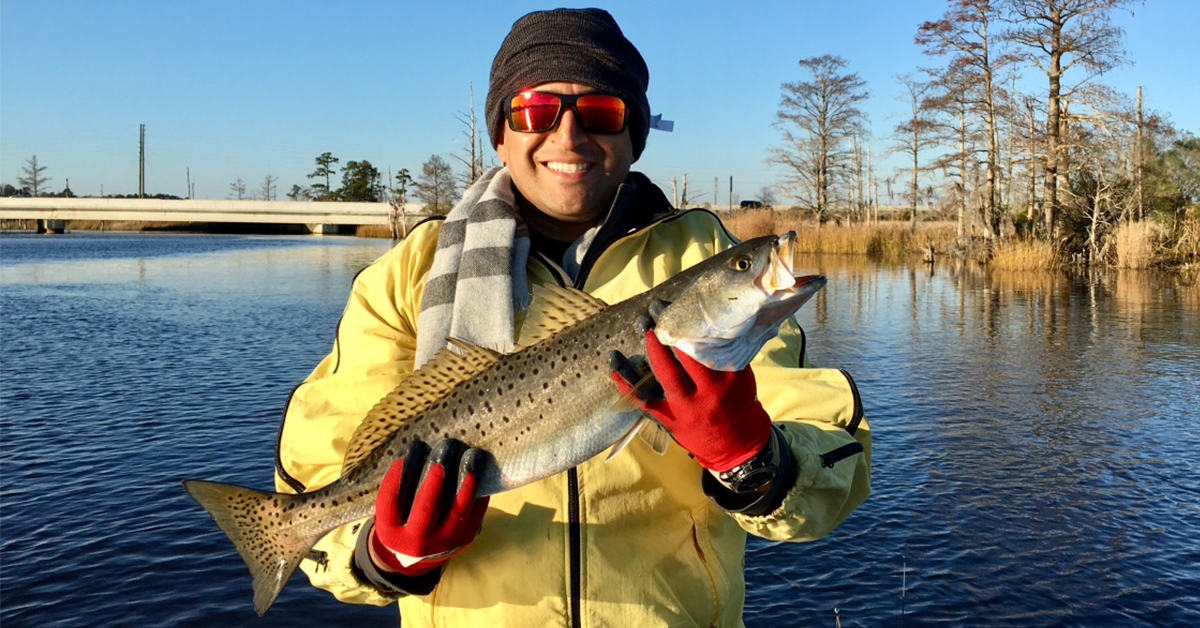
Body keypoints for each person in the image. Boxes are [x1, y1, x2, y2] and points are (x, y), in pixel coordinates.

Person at [274, 8, 870, 627]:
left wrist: (755, 459)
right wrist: (385, 554)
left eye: (601, 112)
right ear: (501, 134)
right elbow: (316, 473)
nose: (568, 135)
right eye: (534, 110)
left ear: (633, 134)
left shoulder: (699, 254)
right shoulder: (405, 276)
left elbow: (837, 461)